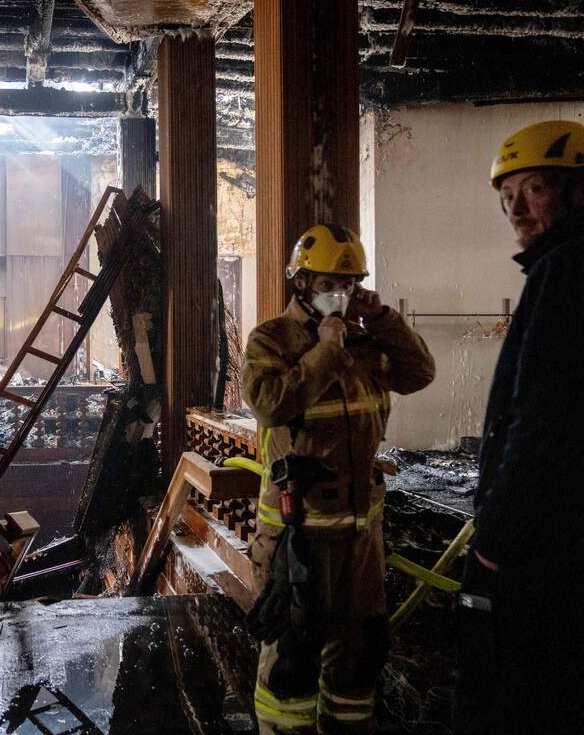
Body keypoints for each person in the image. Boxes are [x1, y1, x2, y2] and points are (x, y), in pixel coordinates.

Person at [242, 225, 435, 734]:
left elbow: (420, 374)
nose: (340, 294)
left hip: (359, 532)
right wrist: (325, 350)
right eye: (330, 283)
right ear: (301, 283)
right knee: (292, 659)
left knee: (359, 654)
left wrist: (384, 319)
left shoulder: (365, 341)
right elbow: (269, 404)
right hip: (297, 534)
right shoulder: (272, 339)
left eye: (350, 284)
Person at [455, 120, 584, 735]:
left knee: (518, 694)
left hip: (545, 544)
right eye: (507, 197)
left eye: (534, 190)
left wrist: (495, 540)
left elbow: (543, 418)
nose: (517, 210)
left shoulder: (566, 271)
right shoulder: (557, 269)